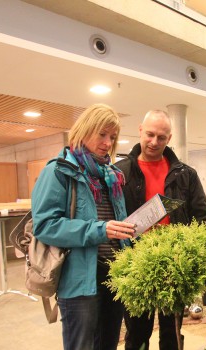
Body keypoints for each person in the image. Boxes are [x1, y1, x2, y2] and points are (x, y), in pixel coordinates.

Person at [31, 103, 137, 350]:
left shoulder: (111, 174)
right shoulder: (58, 170)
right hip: (79, 280)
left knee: (108, 344)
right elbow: (45, 225)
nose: (108, 142)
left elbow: (115, 223)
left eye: (112, 137)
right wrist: (100, 230)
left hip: (114, 276)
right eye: (102, 134)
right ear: (84, 129)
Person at [114, 109, 206, 350]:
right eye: (149, 134)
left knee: (172, 333)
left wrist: (192, 256)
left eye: (161, 137)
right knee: (137, 335)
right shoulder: (119, 173)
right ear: (139, 130)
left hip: (174, 267)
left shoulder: (186, 175)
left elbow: (203, 219)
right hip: (135, 268)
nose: (154, 142)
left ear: (169, 138)